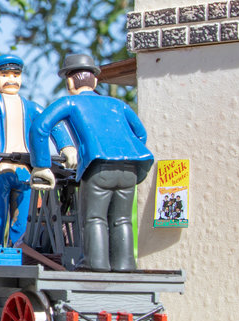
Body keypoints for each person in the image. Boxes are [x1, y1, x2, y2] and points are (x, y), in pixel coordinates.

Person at [30, 53, 154, 272]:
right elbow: (140, 134)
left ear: (69, 82)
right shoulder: (118, 104)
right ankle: (124, 264)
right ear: (95, 81)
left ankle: (95, 263)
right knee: (122, 219)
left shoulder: (69, 102)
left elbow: (40, 127)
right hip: (131, 167)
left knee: (94, 218)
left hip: (99, 166)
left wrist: (41, 165)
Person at [0, 54, 74, 248]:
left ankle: (19, 252)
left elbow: (52, 123)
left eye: (16, 75)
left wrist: (66, 146)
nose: (11, 79)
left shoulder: (31, 107)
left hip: (24, 170)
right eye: (5, 75)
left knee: (24, 222)